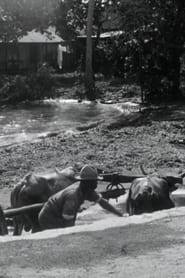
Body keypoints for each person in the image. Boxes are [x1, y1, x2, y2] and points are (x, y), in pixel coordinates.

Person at [38, 164, 123, 230]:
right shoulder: (73, 195)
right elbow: (67, 219)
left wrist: (120, 215)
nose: (97, 184)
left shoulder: (86, 190)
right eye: (95, 181)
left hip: (59, 214)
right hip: (49, 218)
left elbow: (102, 202)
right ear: (88, 182)